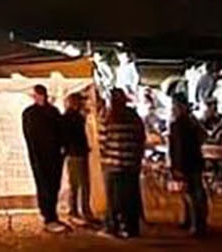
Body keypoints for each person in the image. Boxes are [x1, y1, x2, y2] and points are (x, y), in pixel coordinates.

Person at [99, 88, 146, 239]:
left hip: (113, 165)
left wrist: (104, 157)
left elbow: (103, 141)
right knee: (130, 197)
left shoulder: (109, 117)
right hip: (132, 165)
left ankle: (114, 227)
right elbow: (141, 138)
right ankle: (132, 228)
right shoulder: (134, 116)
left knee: (114, 199)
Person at [21, 84, 67, 232]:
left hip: (53, 156)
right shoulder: (29, 113)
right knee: (44, 184)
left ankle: (51, 213)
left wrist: (61, 150)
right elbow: (29, 136)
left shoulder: (52, 112)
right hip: (39, 156)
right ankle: (48, 215)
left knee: (53, 185)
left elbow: (60, 132)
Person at [168, 98, 209, 237]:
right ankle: (193, 221)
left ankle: (195, 224)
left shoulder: (179, 125)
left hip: (185, 163)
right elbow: (203, 137)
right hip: (195, 162)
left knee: (191, 194)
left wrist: (177, 166)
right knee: (193, 193)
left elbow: (178, 147)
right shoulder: (192, 123)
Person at [60, 92, 94, 226]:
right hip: (77, 153)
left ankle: (75, 210)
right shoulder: (75, 117)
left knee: (76, 184)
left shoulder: (68, 117)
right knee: (82, 184)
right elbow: (77, 136)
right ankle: (82, 211)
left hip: (73, 153)